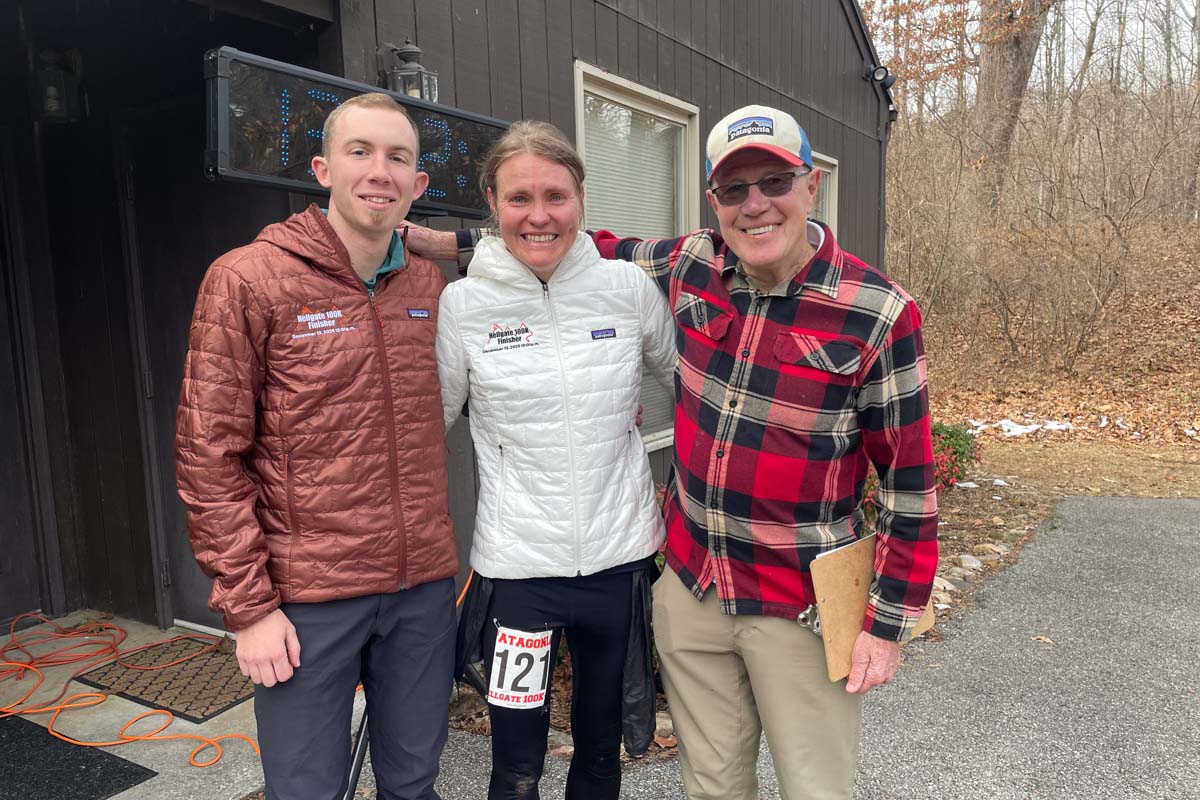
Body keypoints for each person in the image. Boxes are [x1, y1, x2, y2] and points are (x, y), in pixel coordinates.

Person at [409, 104, 939, 800]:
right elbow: (561, 237)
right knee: (707, 785)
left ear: (810, 185)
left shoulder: (877, 310)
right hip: (685, 588)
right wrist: (423, 239)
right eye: (734, 189)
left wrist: (888, 621)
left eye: (774, 182)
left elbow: (910, 484)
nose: (756, 205)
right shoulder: (694, 263)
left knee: (815, 787)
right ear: (714, 199)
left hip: (795, 599)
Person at [175, 92, 458, 800]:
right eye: (359, 152)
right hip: (306, 599)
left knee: (415, 780)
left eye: (398, 158)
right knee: (306, 789)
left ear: (418, 184)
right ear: (322, 167)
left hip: (420, 587)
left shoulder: (427, 283)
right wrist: (249, 608)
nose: (379, 172)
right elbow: (209, 454)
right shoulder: (249, 278)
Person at [435, 120, 676, 799]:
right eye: (519, 198)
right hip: (519, 577)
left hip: (616, 564)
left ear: (580, 198)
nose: (538, 216)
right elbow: (427, 428)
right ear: (492, 202)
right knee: (516, 762)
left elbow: (693, 387)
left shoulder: (625, 289)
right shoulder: (464, 306)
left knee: (600, 751)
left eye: (555, 196)